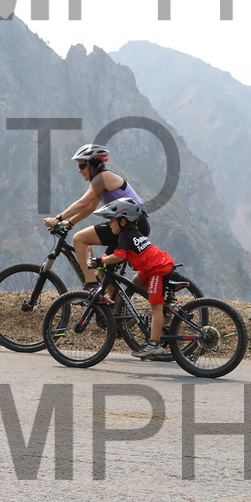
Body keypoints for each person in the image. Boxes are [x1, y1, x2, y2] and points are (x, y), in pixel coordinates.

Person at [87, 198, 178, 360]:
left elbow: (119, 256)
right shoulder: (131, 233)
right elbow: (126, 254)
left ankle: (154, 345)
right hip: (153, 267)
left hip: (157, 269)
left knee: (155, 308)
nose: (110, 224)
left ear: (123, 221)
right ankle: (159, 298)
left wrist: (101, 260)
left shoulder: (124, 237)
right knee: (137, 281)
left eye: (112, 220)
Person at [43, 143, 149, 280]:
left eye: (82, 166)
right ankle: (108, 295)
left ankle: (91, 284)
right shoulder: (102, 180)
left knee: (79, 239)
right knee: (103, 269)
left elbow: (82, 203)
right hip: (131, 225)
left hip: (132, 225)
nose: (80, 171)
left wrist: (57, 218)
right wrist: (69, 223)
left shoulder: (103, 178)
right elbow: (90, 208)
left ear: (92, 164)